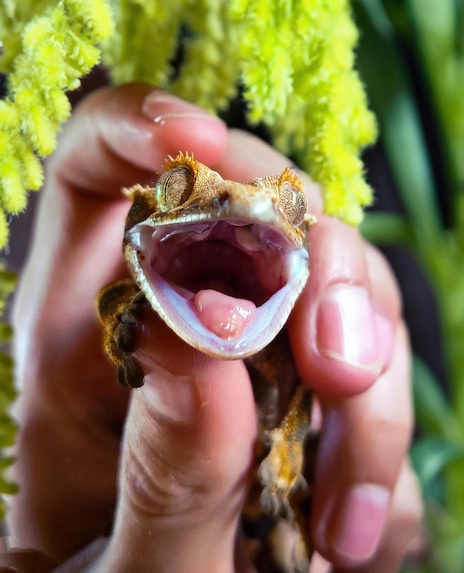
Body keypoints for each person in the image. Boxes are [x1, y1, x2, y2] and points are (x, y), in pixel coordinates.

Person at [4, 84, 422, 572]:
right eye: (175, 186)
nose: (229, 203)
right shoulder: (119, 305)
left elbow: (299, 401)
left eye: (288, 206)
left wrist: (287, 454)